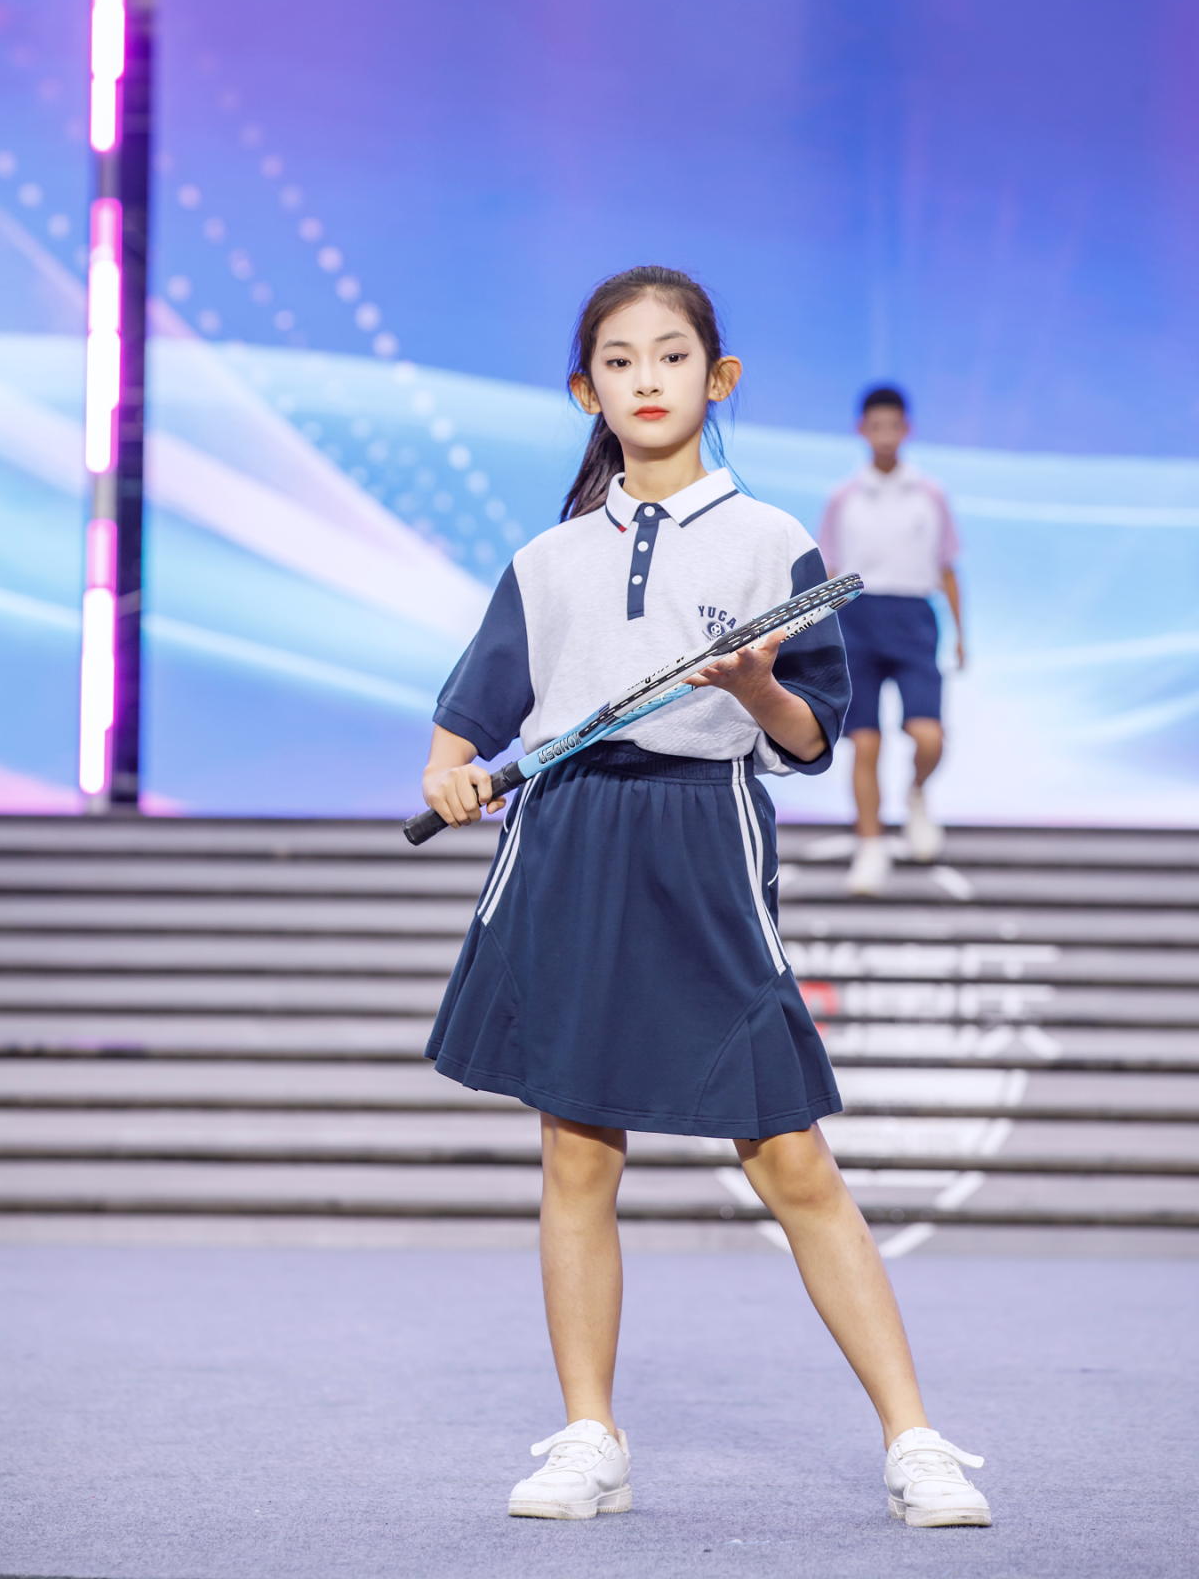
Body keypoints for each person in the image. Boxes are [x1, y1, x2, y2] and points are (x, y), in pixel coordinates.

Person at [419, 271, 990, 1530]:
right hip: (567, 840)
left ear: (715, 378)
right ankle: (590, 1436)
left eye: (670, 356)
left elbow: (808, 737)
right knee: (576, 1149)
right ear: (586, 391)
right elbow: (466, 723)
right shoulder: (545, 559)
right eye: (618, 361)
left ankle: (915, 1440)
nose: (646, 379)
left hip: (702, 842)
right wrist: (448, 775)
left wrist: (751, 689)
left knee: (788, 1152)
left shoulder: (772, 542)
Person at [819, 386, 964, 897]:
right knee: (865, 743)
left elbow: (947, 566)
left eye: (893, 426)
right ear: (862, 430)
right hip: (856, 620)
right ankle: (871, 846)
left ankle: (917, 794)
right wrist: (817, 638)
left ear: (907, 430)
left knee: (929, 737)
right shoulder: (843, 497)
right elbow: (830, 572)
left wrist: (961, 635)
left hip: (914, 619)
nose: (884, 436)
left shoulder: (931, 494)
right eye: (875, 427)